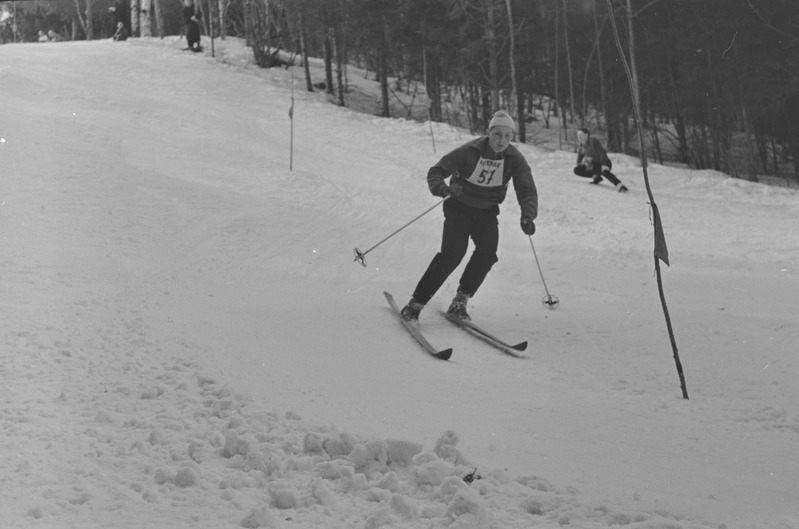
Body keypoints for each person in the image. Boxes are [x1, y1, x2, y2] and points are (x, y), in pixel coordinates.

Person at [400, 111, 538, 323]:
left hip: (487, 211)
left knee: (487, 253)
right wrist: (444, 189)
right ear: (488, 133)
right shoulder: (469, 151)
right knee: (453, 254)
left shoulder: (514, 159)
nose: (501, 141)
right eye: (497, 134)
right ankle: (415, 303)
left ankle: (460, 301)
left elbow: (527, 190)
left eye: (507, 136)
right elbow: (436, 171)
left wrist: (527, 215)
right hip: (459, 207)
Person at [573, 128, 628, 192]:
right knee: (577, 170)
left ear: (586, 135)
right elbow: (578, 163)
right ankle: (597, 177)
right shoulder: (580, 147)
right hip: (594, 165)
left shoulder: (593, 141)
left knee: (604, 171)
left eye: (581, 134)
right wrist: (583, 161)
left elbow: (602, 153)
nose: (579, 137)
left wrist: (603, 164)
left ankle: (620, 186)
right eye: (578, 135)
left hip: (605, 162)